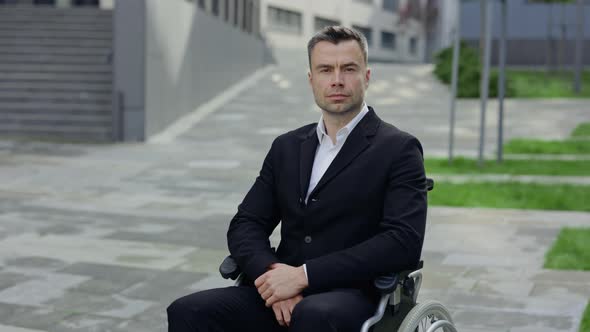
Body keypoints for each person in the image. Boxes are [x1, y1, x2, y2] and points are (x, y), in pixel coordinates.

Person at [167, 25, 427, 332]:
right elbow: (246, 224)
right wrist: (273, 279)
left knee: (313, 315)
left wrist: (303, 276)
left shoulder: (398, 149)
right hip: (280, 289)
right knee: (188, 311)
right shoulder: (287, 147)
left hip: (352, 294)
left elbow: (402, 242)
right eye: (325, 69)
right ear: (311, 79)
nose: (337, 80)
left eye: (349, 68)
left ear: (366, 77)